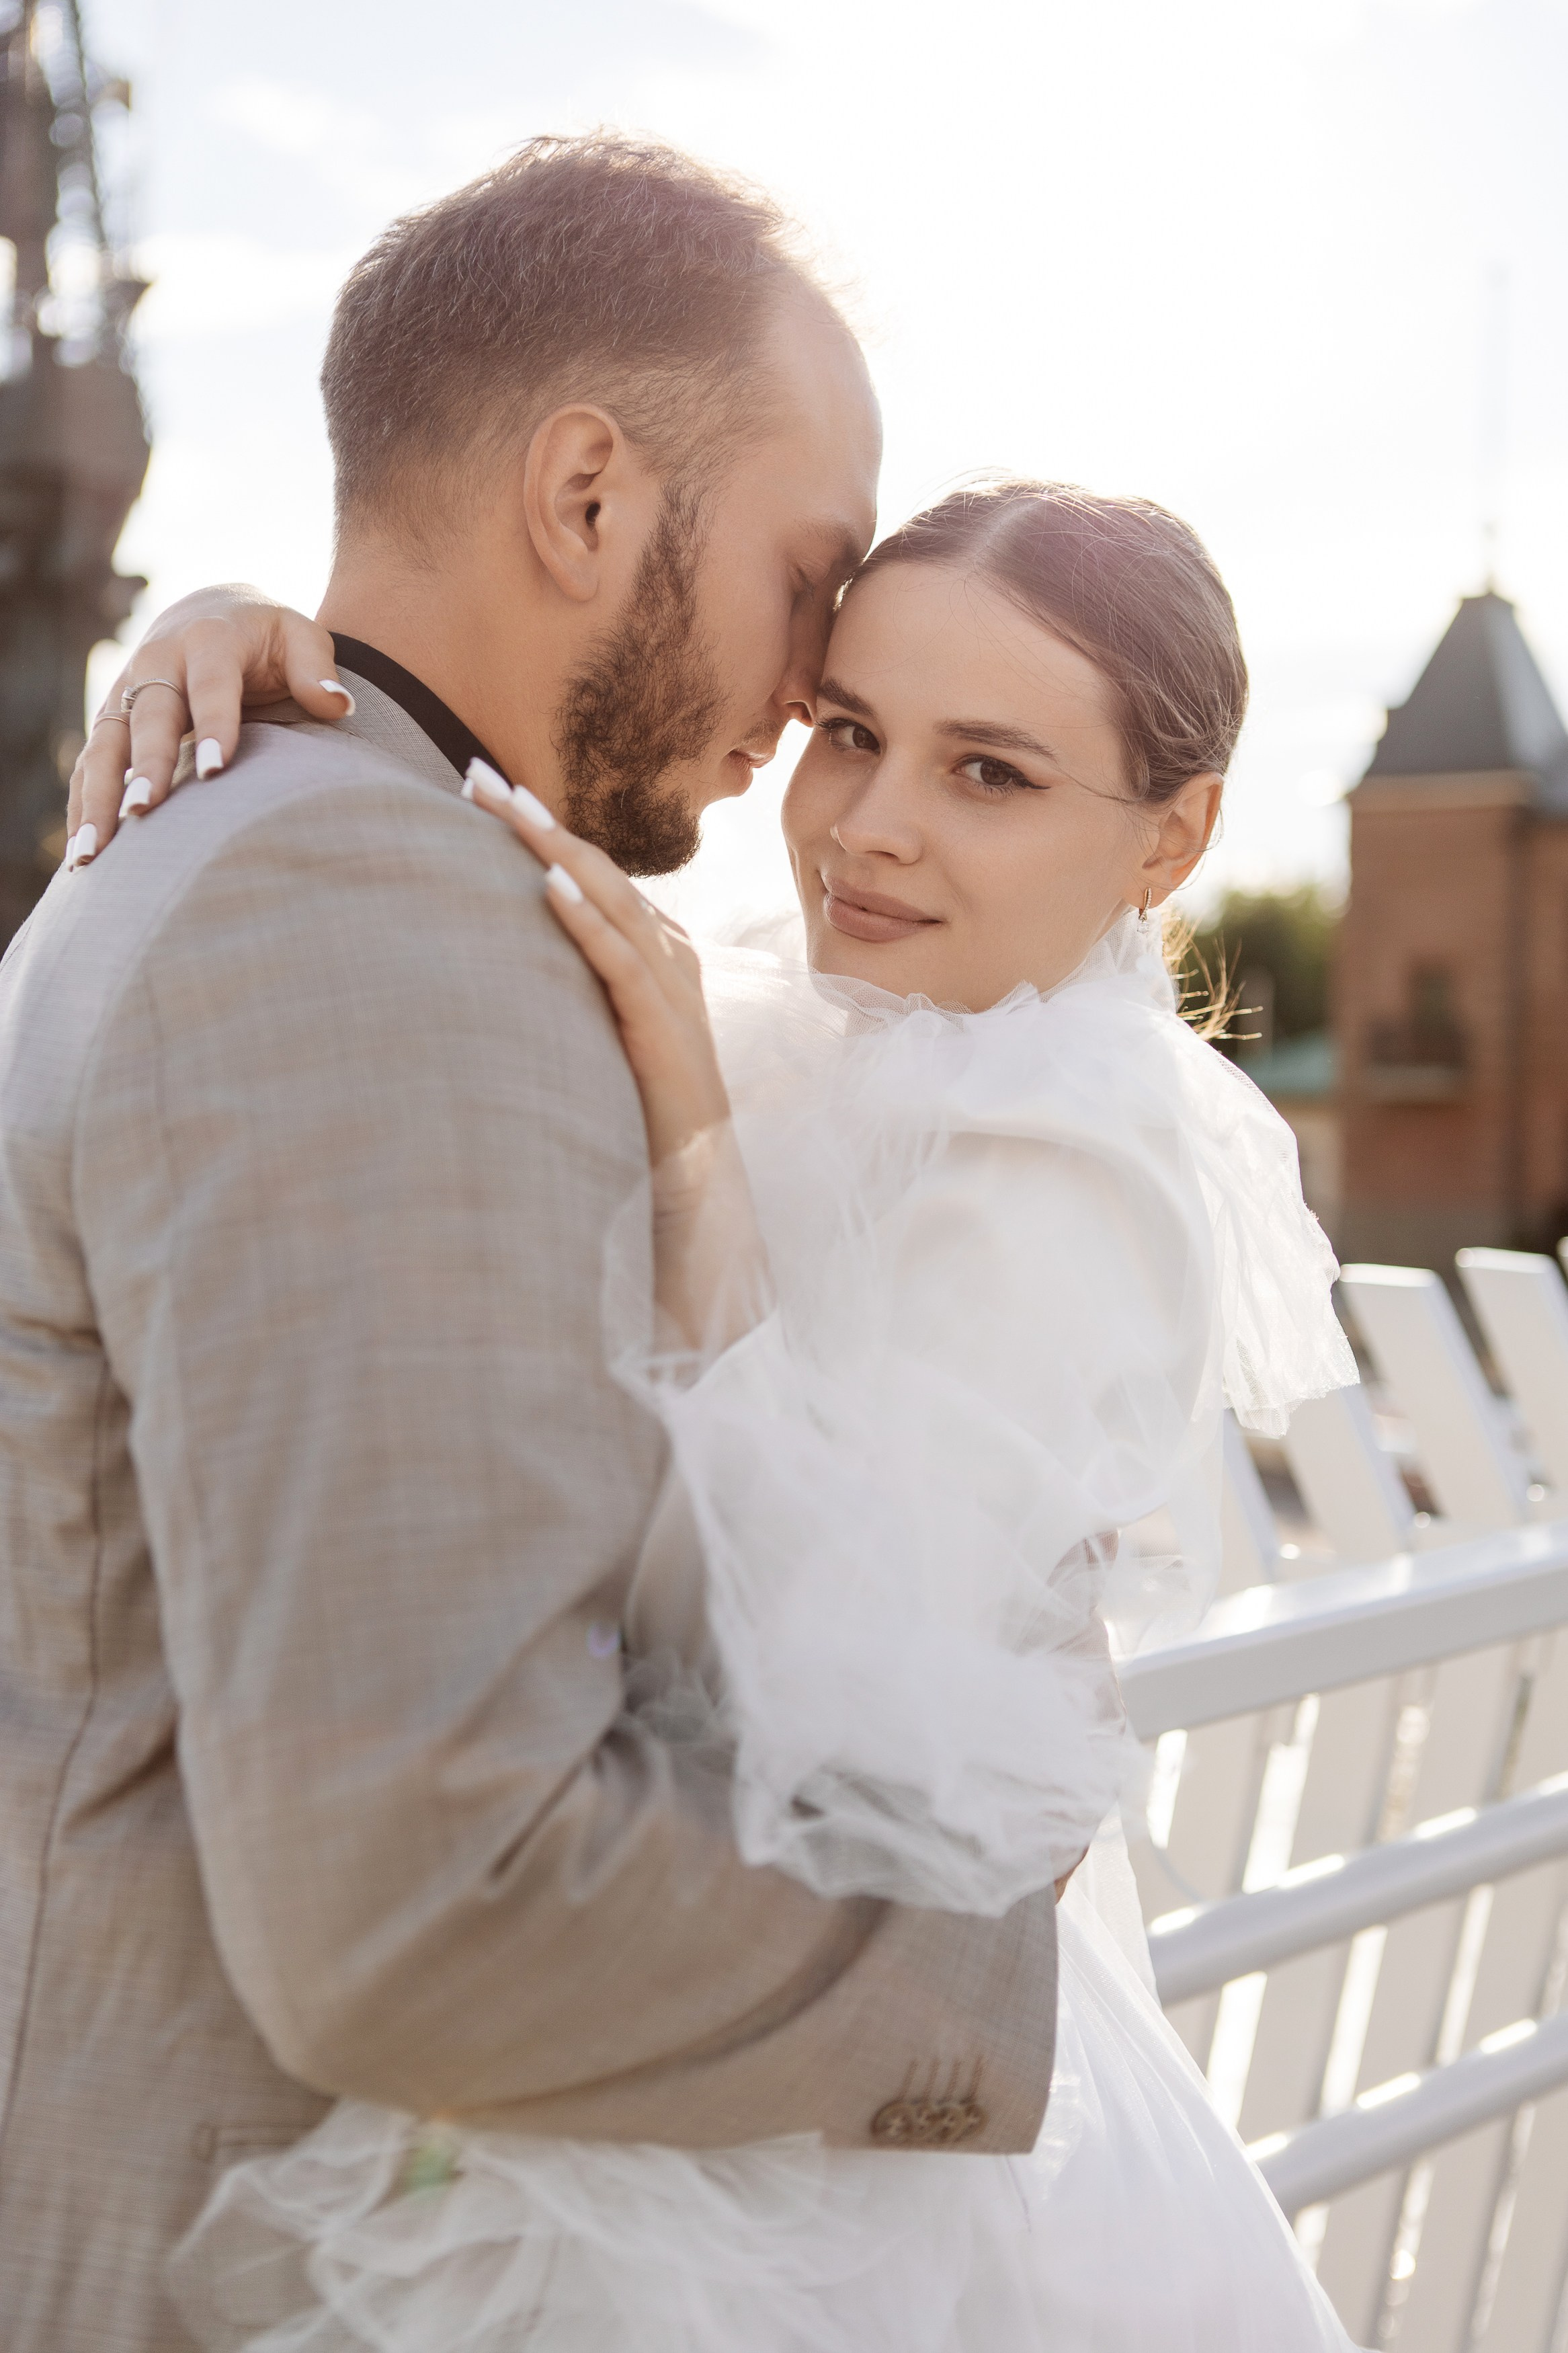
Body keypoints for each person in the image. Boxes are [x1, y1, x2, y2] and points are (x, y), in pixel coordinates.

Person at [65, 482, 1362, 2350]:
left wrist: (693, 1153)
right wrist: (252, 641)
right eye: (849, 730)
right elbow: (493, 803)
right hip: (667, 1974)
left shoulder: (1073, 1173)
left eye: (989, 773)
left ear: (1176, 837)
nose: (873, 823)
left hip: (828, 2130)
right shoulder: (835, 1002)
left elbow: (792, 1672)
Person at [0, 139, 1067, 2353]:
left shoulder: (268, 835)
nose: (822, 675)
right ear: (586, 497)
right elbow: (424, 1889)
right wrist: (983, 1967)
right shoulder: (356, 908)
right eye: (809, 571)